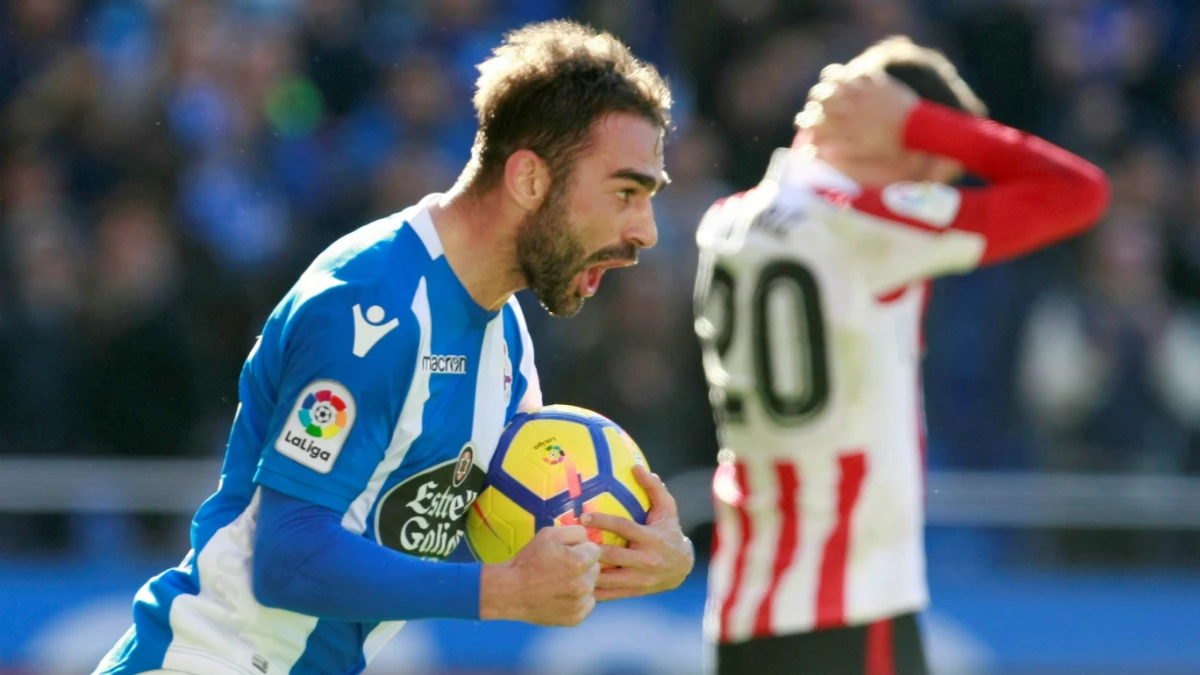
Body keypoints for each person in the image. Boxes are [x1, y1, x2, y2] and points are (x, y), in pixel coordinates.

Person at [95, 20, 694, 675]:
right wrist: (502, 591)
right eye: (626, 192)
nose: (645, 232)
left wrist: (632, 554)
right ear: (528, 179)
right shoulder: (371, 303)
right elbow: (286, 556)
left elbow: (493, 529)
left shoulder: (506, 333)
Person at [693, 36, 1110, 675]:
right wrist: (922, 125)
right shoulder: (864, 225)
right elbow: (1080, 192)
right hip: (852, 604)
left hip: (742, 605)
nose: (937, 180)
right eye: (936, 165)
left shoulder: (724, 220)